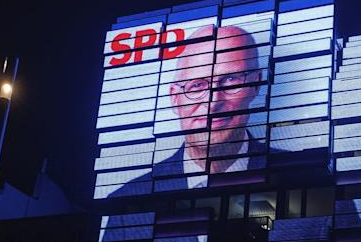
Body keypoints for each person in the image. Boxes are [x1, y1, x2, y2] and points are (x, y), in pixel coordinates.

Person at [106, 23, 265, 199]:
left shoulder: (297, 175)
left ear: (255, 84)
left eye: (230, 80)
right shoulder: (128, 201)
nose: (212, 102)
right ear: (175, 98)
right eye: (196, 86)